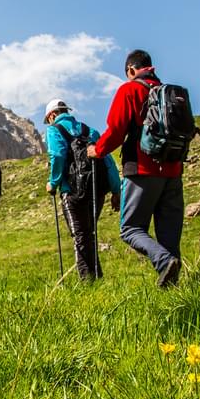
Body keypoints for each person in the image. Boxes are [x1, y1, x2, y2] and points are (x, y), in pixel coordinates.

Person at [87, 50, 185, 288]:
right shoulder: (169, 92)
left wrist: (97, 151)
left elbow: (116, 131)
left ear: (131, 70)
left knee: (130, 228)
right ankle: (173, 290)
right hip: (173, 170)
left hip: (142, 169)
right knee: (168, 234)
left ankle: (163, 262)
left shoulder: (129, 90)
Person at [44, 98, 121, 280]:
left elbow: (58, 155)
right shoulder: (89, 131)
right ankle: (96, 276)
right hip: (96, 189)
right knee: (89, 233)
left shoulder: (54, 130)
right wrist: (116, 190)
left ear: (52, 115)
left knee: (80, 235)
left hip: (72, 191)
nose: (49, 122)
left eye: (48, 119)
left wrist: (53, 183)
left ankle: (87, 281)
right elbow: (107, 160)